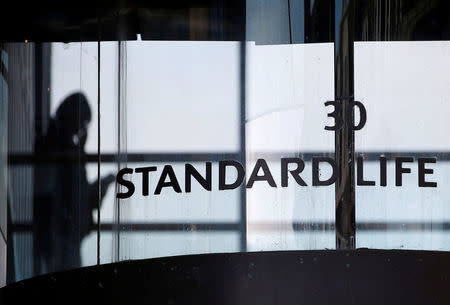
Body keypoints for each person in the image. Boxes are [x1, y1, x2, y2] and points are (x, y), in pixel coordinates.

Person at [33, 92, 114, 275]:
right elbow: (74, 195)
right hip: (60, 235)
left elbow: (80, 196)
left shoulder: (62, 146)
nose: (81, 128)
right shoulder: (58, 147)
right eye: (81, 122)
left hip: (61, 233)